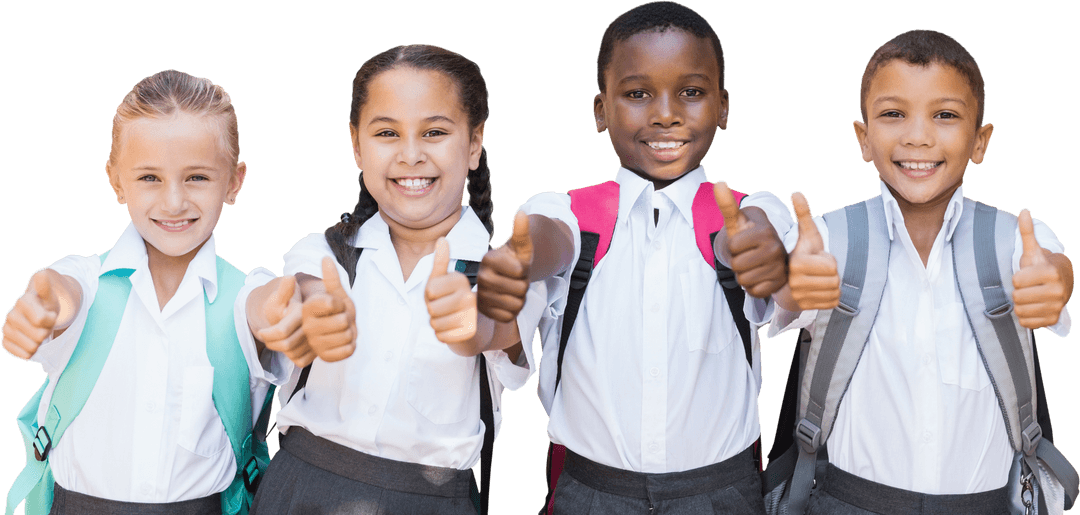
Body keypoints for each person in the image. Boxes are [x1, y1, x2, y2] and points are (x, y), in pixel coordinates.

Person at [478, 2, 794, 513]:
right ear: (601, 111)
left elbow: (759, 244)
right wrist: (520, 256)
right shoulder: (566, 213)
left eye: (691, 92)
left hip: (721, 493)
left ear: (723, 107)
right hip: (590, 491)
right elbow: (550, 238)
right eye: (637, 93)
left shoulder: (751, 211)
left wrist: (759, 254)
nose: (665, 112)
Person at [770, 29, 1075, 514]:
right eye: (894, 114)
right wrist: (790, 285)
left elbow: (1054, 269)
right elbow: (783, 294)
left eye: (945, 115)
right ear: (863, 138)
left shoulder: (1018, 239)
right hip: (847, 501)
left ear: (981, 141)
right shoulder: (825, 240)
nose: (918, 135)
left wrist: (1057, 281)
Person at [244, 44, 539, 514]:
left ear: (475, 143)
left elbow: (501, 327)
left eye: (435, 132)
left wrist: (472, 321)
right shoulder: (326, 252)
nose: (410, 155)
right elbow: (305, 291)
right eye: (387, 133)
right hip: (299, 492)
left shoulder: (500, 272)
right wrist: (310, 312)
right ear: (357, 145)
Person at [2, 69, 283, 515]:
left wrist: (297, 309)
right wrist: (45, 305)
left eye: (197, 178)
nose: (173, 202)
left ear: (234, 182)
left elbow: (270, 309)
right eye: (150, 177)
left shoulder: (249, 296)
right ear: (116, 181)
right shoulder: (85, 284)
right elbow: (61, 293)